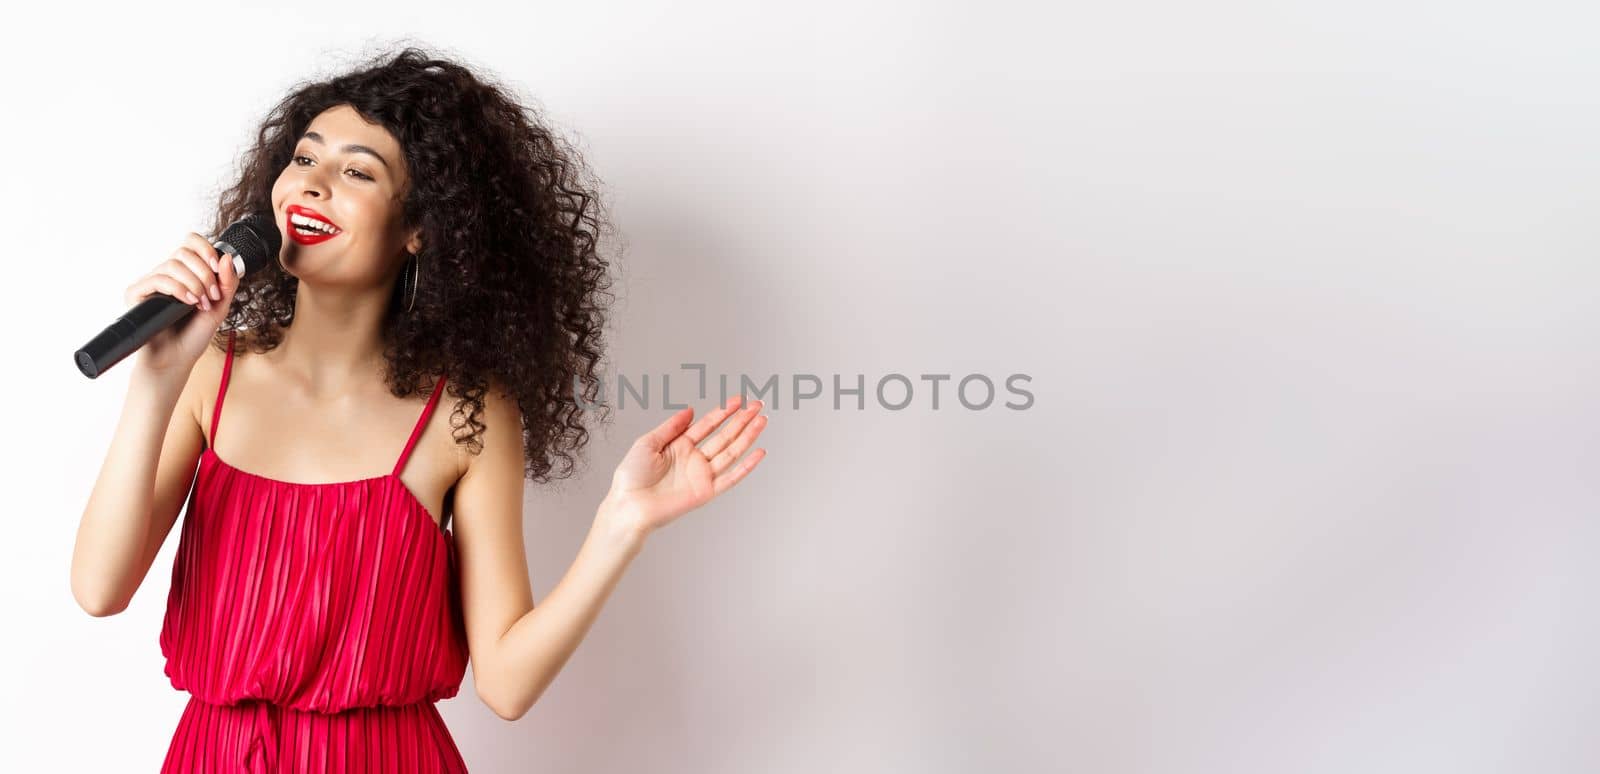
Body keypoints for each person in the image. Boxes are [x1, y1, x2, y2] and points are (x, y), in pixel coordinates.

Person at [69, 46, 768, 772]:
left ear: (421, 228)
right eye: (304, 159)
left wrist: (621, 526)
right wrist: (154, 381)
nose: (311, 187)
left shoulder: (466, 411)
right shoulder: (208, 371)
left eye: (356, 172)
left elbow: (504, 684)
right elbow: (98, 588)